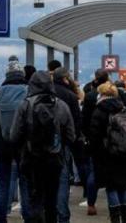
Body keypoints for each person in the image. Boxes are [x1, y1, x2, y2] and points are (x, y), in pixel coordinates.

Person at [10, 71, 75, 223]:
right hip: (54, 159)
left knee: (34, 197)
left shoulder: (25, 105)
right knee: (51, 199)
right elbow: (71, 135)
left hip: (31, 159)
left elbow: (14, 135)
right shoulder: (61, 105)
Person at [0, 57, 30, 222]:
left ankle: (1, 218)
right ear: (22, 74)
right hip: (24, 144)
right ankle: (27, 216)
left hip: (3, 144)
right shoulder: (29, 90)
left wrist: (0, 123)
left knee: (3, 183)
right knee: (25, 182)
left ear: (7, 75)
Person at [88, 82, 126, 223]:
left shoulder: (100, 110)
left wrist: (93, 151)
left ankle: (115, 218)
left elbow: (94, 135)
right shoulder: (123, 108)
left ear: (101, 94)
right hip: (124, 152)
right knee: (123, 185)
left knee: (111, 187)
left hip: (106, 154)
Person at [52, 67, 81, 223]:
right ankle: (63, 216)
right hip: (63, 145)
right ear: (65, 78)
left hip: (41, 146)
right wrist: (72, 141)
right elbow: (76, 121)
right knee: (63, 180)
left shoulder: (42, 94)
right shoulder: (70, 96)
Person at [80, 69, 110, 215]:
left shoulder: (90, 96)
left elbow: (84, 118)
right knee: (113, 171)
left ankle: (91, 203)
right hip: (112, 140)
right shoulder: (116, 95)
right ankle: (114, 203)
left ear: (96, 79)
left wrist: (86, 136)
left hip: (94, 139)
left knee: (93, 171)